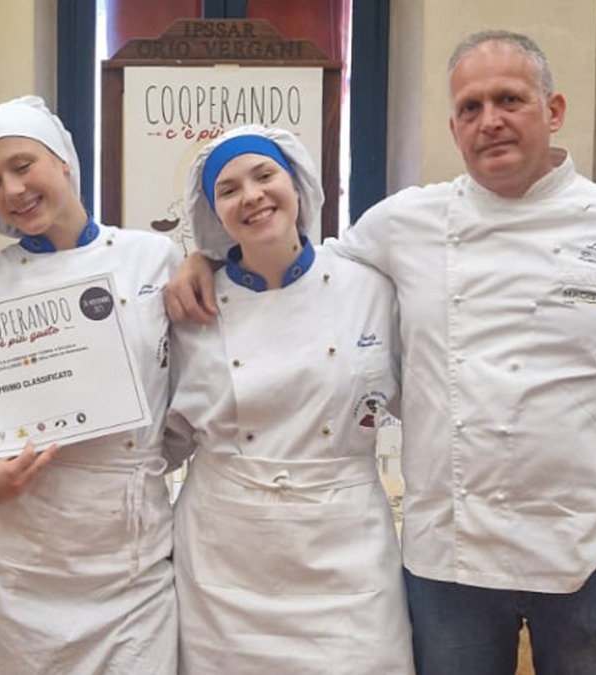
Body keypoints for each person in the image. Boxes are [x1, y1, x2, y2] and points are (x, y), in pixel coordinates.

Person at [163, 31, 596, 675]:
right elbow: (296, 276)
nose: (489, 121)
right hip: (450, 571)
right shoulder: (402, 223)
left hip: (591, 559)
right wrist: (201, 256)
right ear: (454, 127)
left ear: (553, 111)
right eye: (469, 107)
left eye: (509, 99)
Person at [0, 95, 181, 674]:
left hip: (129, 558)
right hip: (13, 562)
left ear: (64, 161)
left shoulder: (156, 260)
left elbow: (191, 389)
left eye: (24, 166)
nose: (13, 190)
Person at [165, 125, 414, 673]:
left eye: (263, 175)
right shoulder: (192, 308)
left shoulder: (371, 288)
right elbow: (165, 440)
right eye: (227, 190)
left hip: (346, 554)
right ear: (213, 212)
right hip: (223, 559)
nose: (251, 196)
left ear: (297, 184)